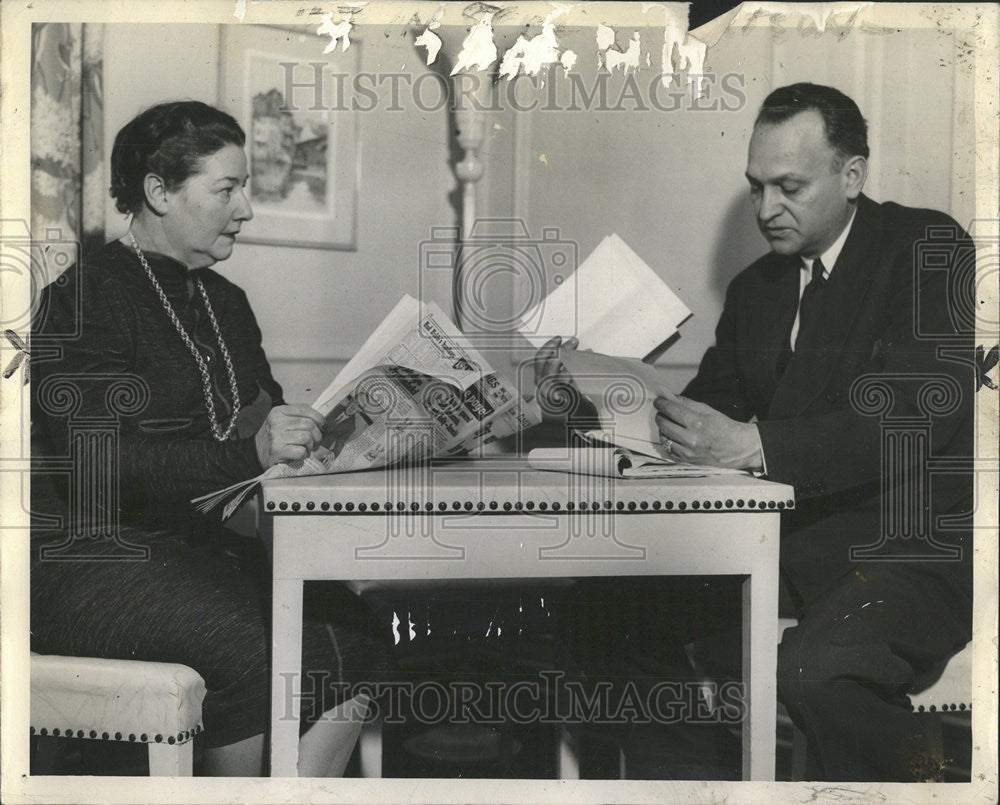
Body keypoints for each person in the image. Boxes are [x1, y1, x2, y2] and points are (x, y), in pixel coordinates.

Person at [535, 83, 974, 781]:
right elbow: (703, 416)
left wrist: (755, 444)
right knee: (599, 611)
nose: (767, 209)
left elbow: (916, 410)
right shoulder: (757, 290)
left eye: (789, 187)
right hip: (783, 550)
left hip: (904, 554)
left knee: (815, 672)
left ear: (851, 175)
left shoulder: (926, 246)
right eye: (756, 187)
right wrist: (593, 395)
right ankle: (702, 784)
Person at [30, 101, 392, 776]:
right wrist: (247, 453)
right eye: (227, 188)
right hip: (91, 560)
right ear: (159, 191)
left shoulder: (225, 301)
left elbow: (263, 419)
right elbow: (98, 464)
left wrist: (332, 440)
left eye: (245, 187)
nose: (246, 208)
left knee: (358, 632)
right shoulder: (86, 298)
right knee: (256, 647)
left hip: (200, 549)